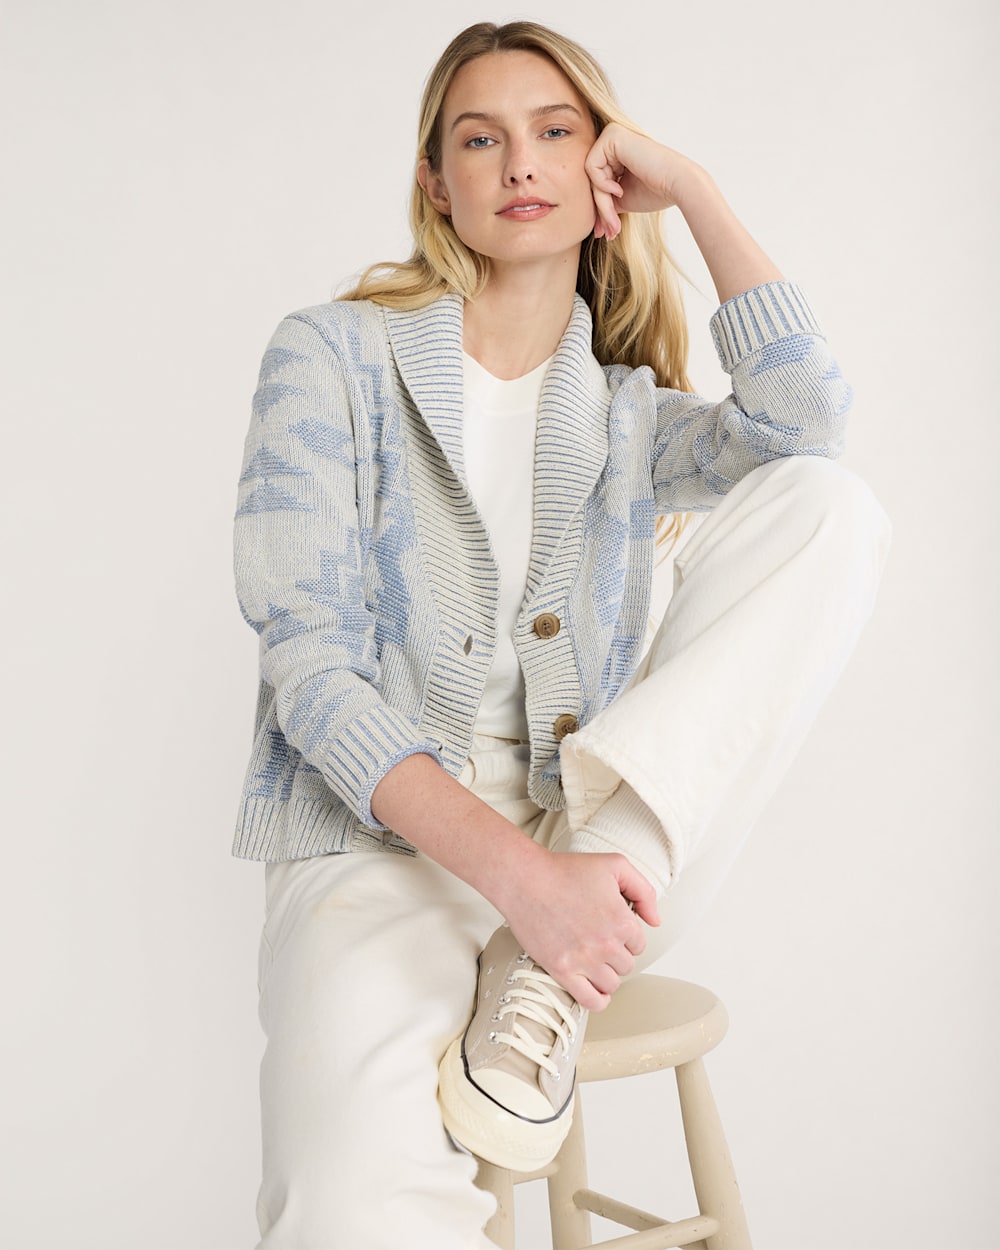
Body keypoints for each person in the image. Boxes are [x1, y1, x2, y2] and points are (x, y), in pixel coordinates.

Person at [233, 19, 890, 1249]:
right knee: (351, 1205)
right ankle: (536, 933)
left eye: (555, 132)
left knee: (829, 508)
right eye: (480, 139)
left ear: (602, 171)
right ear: (437, 180)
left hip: (595, 837)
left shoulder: (629, 414)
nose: (521, 162)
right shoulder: (330, 357)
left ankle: (543, 970)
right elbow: (310, 668)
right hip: (380, 843)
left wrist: (692, 188)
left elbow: (807, 425)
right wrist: (522, 883)